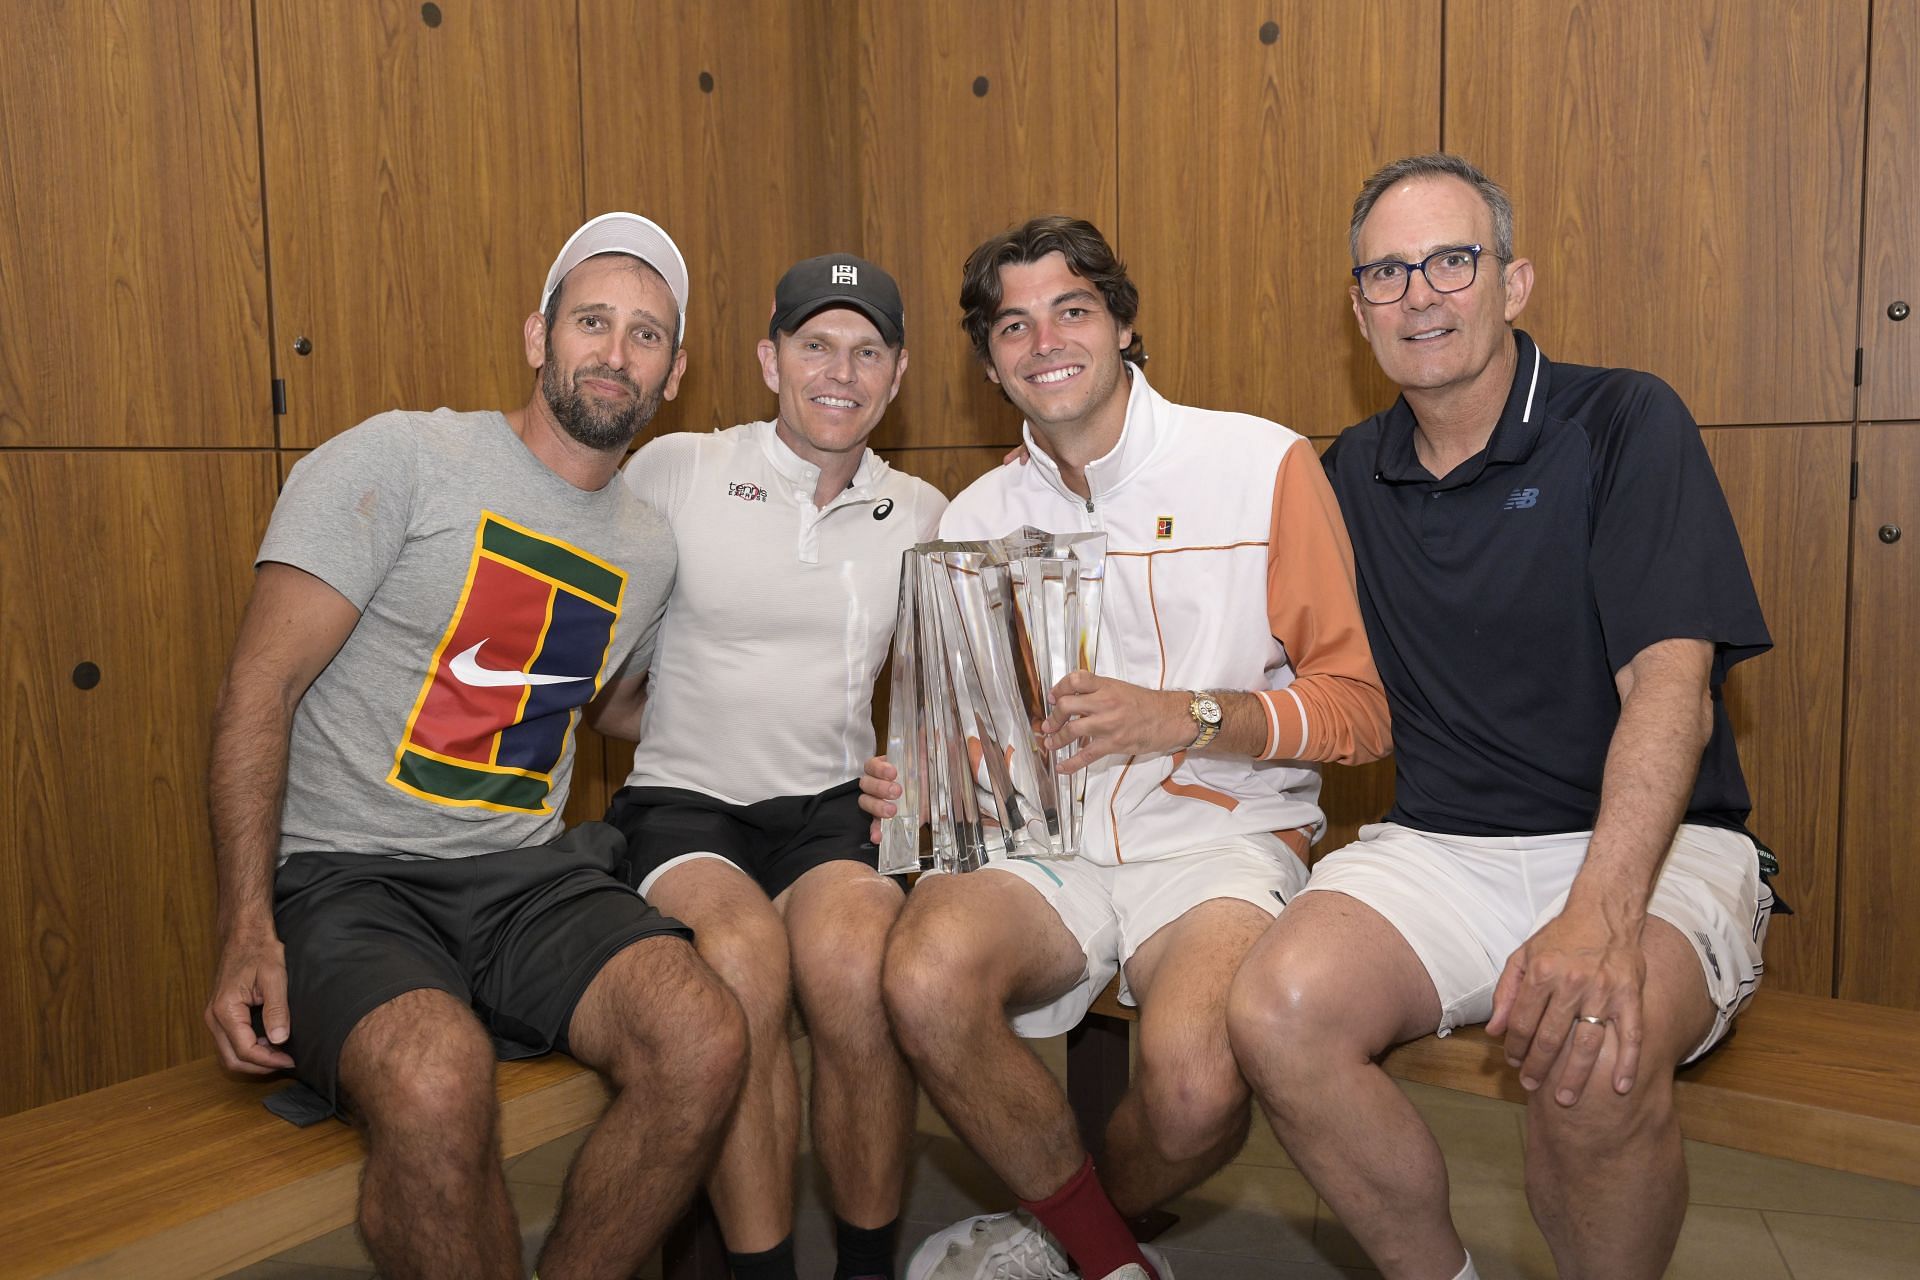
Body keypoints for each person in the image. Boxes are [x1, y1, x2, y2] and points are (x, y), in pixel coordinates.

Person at [1225, 154, 1776, 1280]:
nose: (1419, 292)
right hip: (1446, 847)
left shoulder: (1622, 419)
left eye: (1450, 260)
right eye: (1385, 272)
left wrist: (1600, 915)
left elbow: (1669, 686)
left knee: (1591, 1051)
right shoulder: (1348, 472)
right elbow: (1252, 659)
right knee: (1275, 1009)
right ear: (1358, 307)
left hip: (1651, 847)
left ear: (1513, 282)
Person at [202, 213, 749, 1280]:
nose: (615, 351)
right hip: (346, 874)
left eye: (646, 335)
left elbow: (614, 709)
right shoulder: (401, 458)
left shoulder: (646, 545)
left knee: (704, 1036)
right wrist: (244, 924)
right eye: (592, 320)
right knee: (435, 1072)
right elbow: (256, 688)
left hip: (522, 875)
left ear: (675, 372)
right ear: (539, 336)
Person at [860, 215, 1392, 1280]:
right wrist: (926, 779)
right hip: (1052, 844)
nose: (1044, 339)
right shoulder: (974, 515)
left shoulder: (1261, 462)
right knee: (921, 971)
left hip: (1222, 839)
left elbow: (1360, 710)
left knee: (1197, 1086)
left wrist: (1182, 714)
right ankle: (1108, 1260)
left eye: (1072, 309)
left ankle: (1065, 1221)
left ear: (1123, 326)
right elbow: (988, 734)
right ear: (990, 360)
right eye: (1014, 324)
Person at [596, 253, 945, 1280]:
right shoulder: (677, 469)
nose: (840, 370)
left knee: (860, 967)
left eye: (866, 350)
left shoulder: (923, 511)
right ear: (768, 358)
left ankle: (867, 1266)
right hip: (684, 804)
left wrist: (912, 775)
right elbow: (602, 676)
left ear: (897, 371)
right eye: (815, 344)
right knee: (741, 960)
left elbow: (948, 697)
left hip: (830, 810)